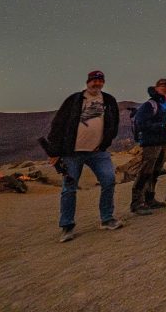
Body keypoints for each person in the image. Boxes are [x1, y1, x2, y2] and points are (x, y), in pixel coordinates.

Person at [45, 70, 123, 242]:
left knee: (109, 180)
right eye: (94, 81)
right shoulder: (74, 100)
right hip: (72, 153)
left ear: (103, 82)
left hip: (98, 152)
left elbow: (113, 123)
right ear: (88, 82)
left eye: (100, 81)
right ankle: (67, 226)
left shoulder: (108, 100)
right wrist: (54, 152)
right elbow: (58, 124)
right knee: (69, 188)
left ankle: (107, 218)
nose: (97, 84)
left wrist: (104, 144)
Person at [130, 78, 166, 215]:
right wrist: (162, 126)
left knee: (155, 171)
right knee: (145, 172)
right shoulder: (150, 105)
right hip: (151, 143)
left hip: (162, 142)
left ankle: (150, 198)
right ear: (156, 88)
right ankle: (137, 202)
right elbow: (141, 123)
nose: (165, 88)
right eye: (162, 86)